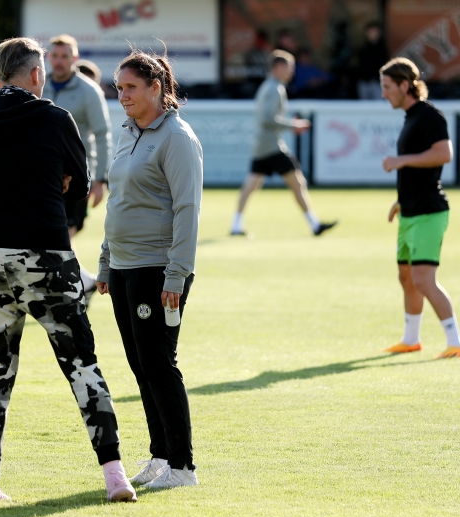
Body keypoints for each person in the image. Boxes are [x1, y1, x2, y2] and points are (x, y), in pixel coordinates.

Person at [0, 37, 136, 504]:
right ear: (37, 75)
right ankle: (115, 475)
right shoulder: (55, 118)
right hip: (48, 256)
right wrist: (53, 182)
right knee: (81, 364)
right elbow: (79, 186)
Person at [96, 48, 203, 489]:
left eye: (131, 87)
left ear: (156, 88)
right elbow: (118, 202)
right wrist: (105, 261)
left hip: (158, 269)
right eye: (118, 87)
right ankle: (160, 458)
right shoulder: (128, 132)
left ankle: (183, 467)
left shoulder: (177, 137)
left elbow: (187, 210)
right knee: (141, 366)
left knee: (159, 364)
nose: (122, 95)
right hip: (124, 268)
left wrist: (176, 275)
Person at [379, 57, 459, 359]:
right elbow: (419, 170)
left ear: (404, 85)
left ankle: (455, 342)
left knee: (424, 279)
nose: (384, 94)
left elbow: (444, 154)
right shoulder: (410, 118)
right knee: (406, 277)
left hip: (429, 212)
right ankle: (411, 339)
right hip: (410, 211)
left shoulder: (429, 115)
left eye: (387, 87)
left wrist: (400, 161)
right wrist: (401, 200)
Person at [229, 50, 337, 237]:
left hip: (262, 145)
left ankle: (236, 225)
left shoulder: (268, 86)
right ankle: (314, 224)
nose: (292, 72)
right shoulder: (274, 89)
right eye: (290, 67)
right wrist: (293, 125)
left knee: (251, 185)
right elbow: (267, 119)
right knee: (298, 183)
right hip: (272, 146)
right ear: (279, 67)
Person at [42, 34, 111, 302]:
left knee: (57, 236)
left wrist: (100, 179)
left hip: (77, 176)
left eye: (65, 56)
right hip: (43, 175)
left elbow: (102, 134)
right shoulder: (39, 85)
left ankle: (75, 284)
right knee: (52, 236)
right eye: (55, 56)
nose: (59, 61)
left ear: (75, 58)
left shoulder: (88, 90)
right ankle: (82, 282)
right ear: (48, 57)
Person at [356, 22, 389, 100]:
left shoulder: (382, 49)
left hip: (377, 83)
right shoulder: (363, 49)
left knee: (378, 104)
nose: (372, 34)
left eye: (374, 31)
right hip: (364, 82)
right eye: (370, 31)